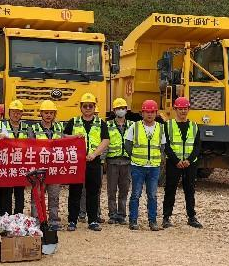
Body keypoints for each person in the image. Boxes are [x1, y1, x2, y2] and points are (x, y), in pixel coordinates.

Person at [63, 93, 109, 232]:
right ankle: (72, 220)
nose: (88, 108)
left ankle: (93, 220)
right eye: (85, 106)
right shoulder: (73, 121)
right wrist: (74, 136)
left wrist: (94, 154)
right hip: (76, 162)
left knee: (93, 192)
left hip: (93, 162)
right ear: (81, 107)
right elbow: (63, 137)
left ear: (94, 107)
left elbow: (105, 140)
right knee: (75, 191)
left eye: (90, 106)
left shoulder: (101, 123)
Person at [162, 96, 203, 229]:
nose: (183, 111)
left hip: (190, 164)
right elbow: (166, 145)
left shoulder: (194, 126)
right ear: (175, 109)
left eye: (185, 109)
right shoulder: (168, 125)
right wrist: (176, 160)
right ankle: (166, 217)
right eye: (180, 109)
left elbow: (197, 146)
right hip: (174, 163)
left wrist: (189, 160)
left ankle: (191, 217)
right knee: (170, 189)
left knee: (190, 190)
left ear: (188, 109)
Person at [125, 99, 165, 231]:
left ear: (156, 113)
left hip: (154, 167)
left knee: (152, 195)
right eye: (147, 112)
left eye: (152, 112)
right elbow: (128, 144)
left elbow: (162, 146)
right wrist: (135, 157)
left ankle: (152, 221)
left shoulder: (160, 128)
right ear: (142, 113)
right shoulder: (135, 126)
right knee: (136, 194)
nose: (149, 114)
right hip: (138, 166)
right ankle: (133, 220)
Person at [31, 100, 65, 229]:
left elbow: (65, 141)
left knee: (54, 196)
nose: (48, 115)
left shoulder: (59, 128)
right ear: (41, 113)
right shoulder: (33, 129)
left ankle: (54, 220)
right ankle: (37, 220)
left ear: (54, 114)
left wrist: (76, 137)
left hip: (55, 168)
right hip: (39, 169)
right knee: (37, 196)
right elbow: (30, 146)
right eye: (46, 112)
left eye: (51, 113)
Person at [0, 99, 32, 214]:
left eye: (18, 112)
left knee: (19, 192)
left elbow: (32, 144)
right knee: (6, 192)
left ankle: (18, 215)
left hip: (21, 164)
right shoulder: (2, 126)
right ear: (9, 113)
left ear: (22, 114)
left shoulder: (27, 128)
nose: (16, 115)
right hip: (7, 164)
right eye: (13, 112)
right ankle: (6, 214)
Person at [105, 97, 133, 225]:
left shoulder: (132, 125)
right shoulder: (108, 125)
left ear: (126, 110)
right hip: (112, 161)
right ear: (114, 110)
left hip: (127, 162)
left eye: (122, 108)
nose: (120, 110)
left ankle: (121, 215)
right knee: (111, 190)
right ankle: (112, 214)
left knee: (124, 190)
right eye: (118, 108)